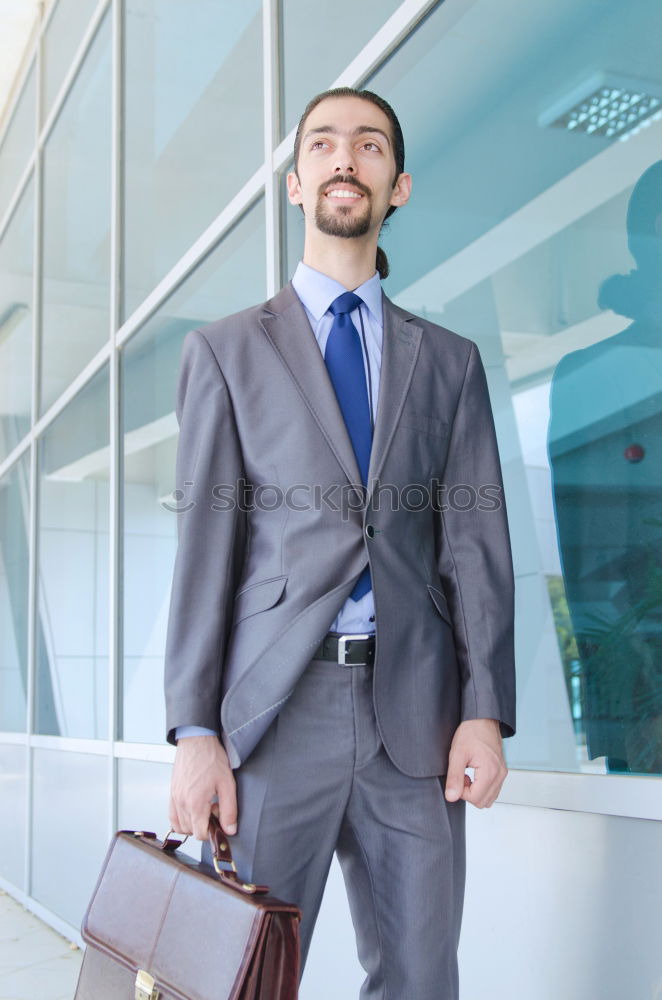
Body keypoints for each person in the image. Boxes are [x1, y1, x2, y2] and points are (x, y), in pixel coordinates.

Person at [164, 86, 516, 998]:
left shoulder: (451, 364)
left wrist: (484, 707)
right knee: (240, 976)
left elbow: (472, 546)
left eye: (367, 145)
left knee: (421, 978)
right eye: (321, 144)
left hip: (420, 719)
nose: (343, 158)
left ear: (397, 186)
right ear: (296, 183)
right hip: (276, 718)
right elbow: (206, 552)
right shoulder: (227, 352)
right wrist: (196, 730)